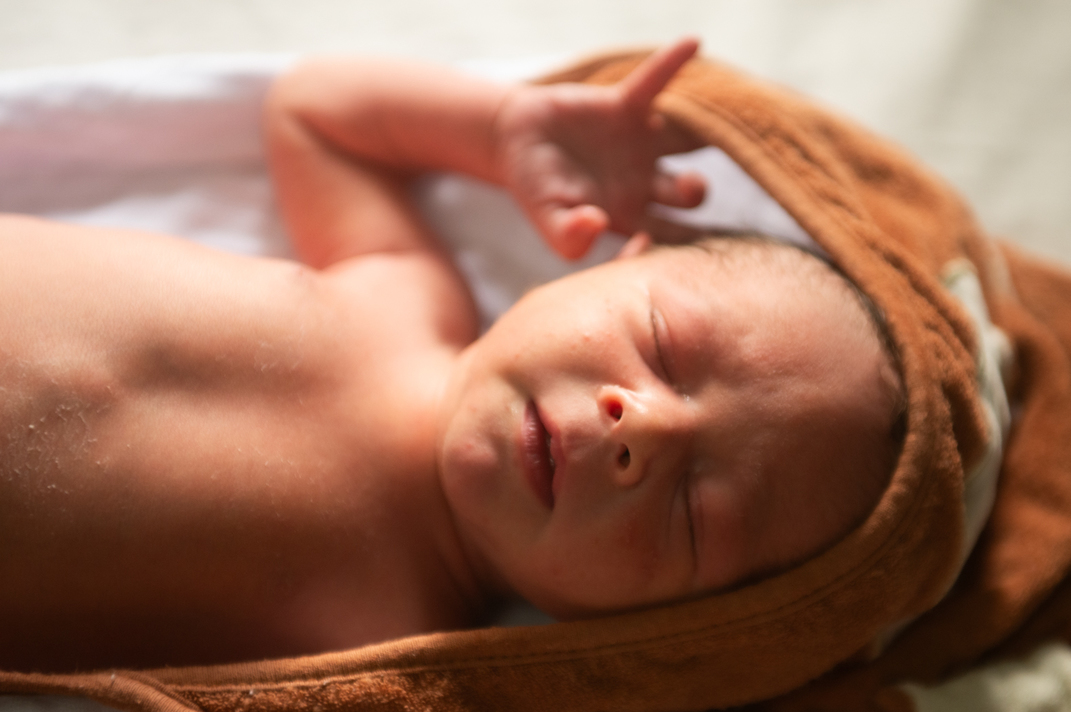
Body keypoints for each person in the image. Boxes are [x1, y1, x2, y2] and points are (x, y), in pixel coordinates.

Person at [0, 39, 902, 673]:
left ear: (670, 625)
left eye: (697, 516)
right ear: (622, 260)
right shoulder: (401, 294)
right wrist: (498, 126)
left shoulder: (393, 651)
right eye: (664, 346)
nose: (646, 430)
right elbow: (315, 113)